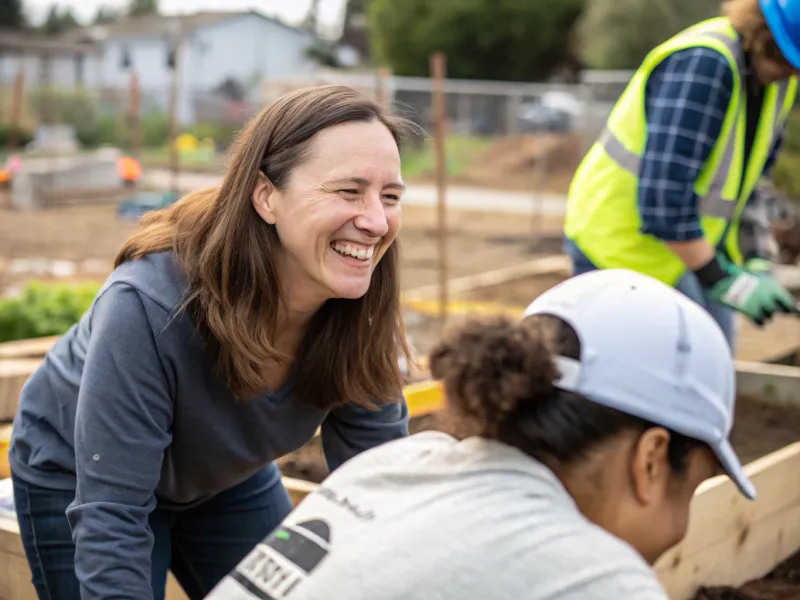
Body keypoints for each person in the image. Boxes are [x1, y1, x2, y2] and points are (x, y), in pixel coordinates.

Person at [9, 85, 417, 600]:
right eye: (347, 191)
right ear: (266, 195)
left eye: (391, 196)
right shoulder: (151, 305)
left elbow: (377, 487)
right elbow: (111, 517)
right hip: (80, 477)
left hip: (222, 477)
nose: (377, 221)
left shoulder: (360, 301)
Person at [205, 268, 751, 600]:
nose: (682, 525)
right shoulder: (592, 577)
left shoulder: (399, 464)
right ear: (652, 460)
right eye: (694, 489)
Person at [563, 0, 800, 350]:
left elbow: (750, 184)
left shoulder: (778, 84)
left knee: (712, 353)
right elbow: (663, 200)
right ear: (772, 40)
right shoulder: (705, 65)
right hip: (623, 245)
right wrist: (721, 280)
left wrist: (757, 261)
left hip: (685, 248)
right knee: (659, 370)